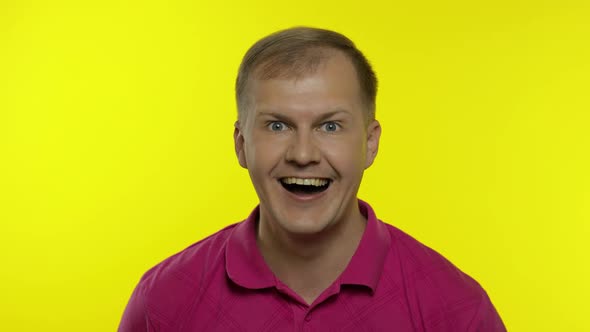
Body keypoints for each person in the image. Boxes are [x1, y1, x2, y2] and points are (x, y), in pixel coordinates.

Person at [118, 26, 506, 331]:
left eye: (331, 126)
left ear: (370, 144)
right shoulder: (163, 301)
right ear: (241, 144)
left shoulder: (456, 310)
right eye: (277, 125)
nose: (303, 155)